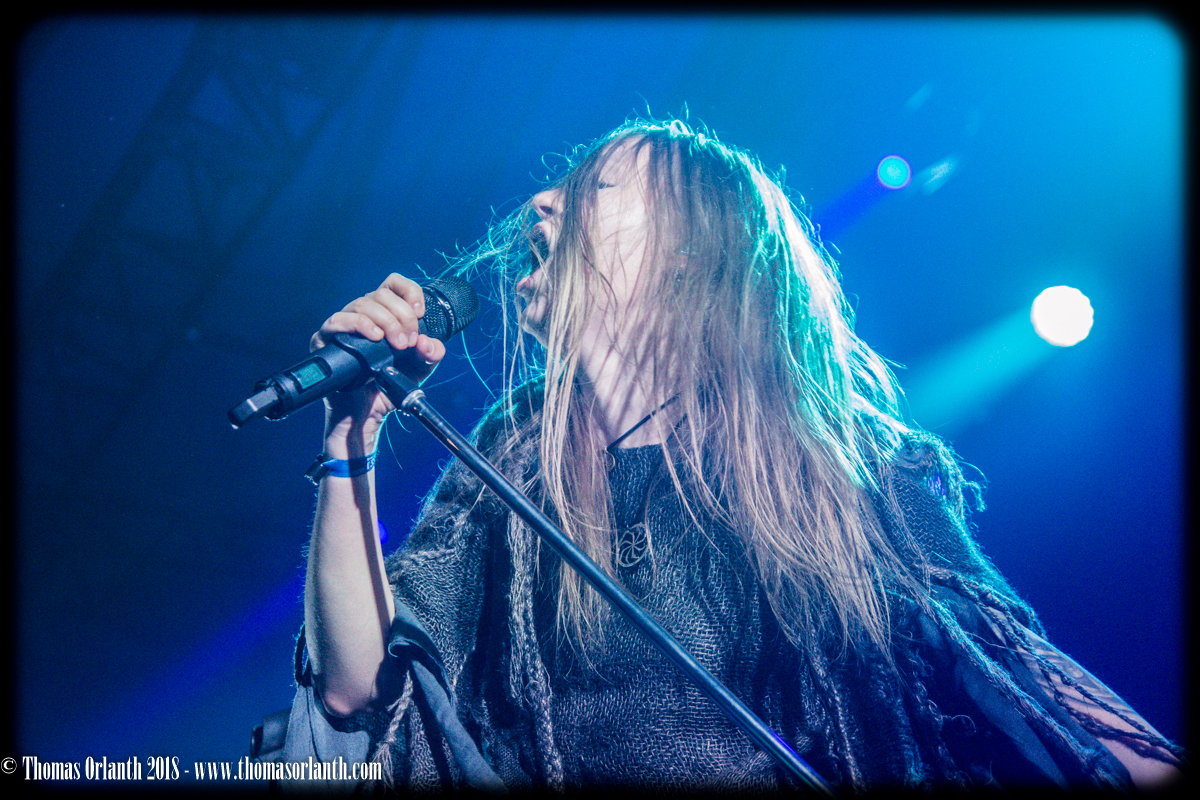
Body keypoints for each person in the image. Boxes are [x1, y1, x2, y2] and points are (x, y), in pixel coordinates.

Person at [281, 118, 1182, 792]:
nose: (542, 202)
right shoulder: (512, 458)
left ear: (687, 249)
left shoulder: (832, 461)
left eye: (593, 187)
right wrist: (350, 432)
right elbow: (358, 690)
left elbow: (1004, 665)